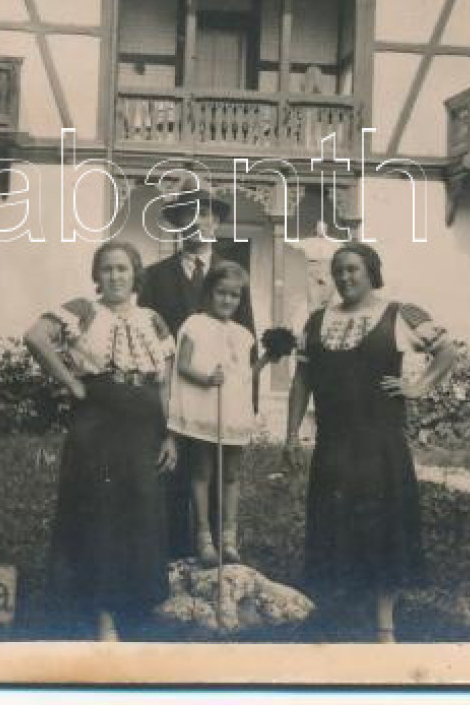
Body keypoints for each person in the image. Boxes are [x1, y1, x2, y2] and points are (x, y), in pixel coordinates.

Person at [283, 242, 460, 643]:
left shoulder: (399, 315)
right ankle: (338, 621)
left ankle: (384, 626)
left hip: (380, 445)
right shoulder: (315, 322)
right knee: (334, 527)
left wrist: (417, 388)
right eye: (339, 271)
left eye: (353, 270)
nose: (345, 278)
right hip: (333, 446)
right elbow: (302, 381)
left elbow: (447, 353)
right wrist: (291, 435)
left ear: (371, 272)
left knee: (383, 529)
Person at [23, 240, 178, 641]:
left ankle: (137, 605)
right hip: (99, 422)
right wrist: (71, 381)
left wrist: (169, 434)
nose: (114, 276)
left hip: (144, 425)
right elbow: (36, 337)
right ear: (97, 276)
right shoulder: (83, 310)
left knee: (140, 511)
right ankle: (102, 614)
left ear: (135, 274)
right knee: (101, 514)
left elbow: (165, 381)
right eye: (107, 269)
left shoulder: (153, 319)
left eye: (122, 269)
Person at [136, 187, 256, 559]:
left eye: (204, 215)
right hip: (176, 392)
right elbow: (146, 337)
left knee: (219, 473)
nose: (196, 223)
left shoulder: (232, 277)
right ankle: (175, 556)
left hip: (221, 395)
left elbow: (247, 339)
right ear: (176, 225)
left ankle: (221, 547)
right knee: (174, 475)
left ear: (216, 222)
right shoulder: (156, 277)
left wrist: (246, 403)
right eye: (186, 215)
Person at [167, 262, 281, 566]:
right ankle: (204, 537)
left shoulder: (243, 334)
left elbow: (244, 376)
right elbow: (182, 364)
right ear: (209, 293)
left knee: (231, 475)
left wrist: (268, 359)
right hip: (206, 408)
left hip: (233, 411)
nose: (228, 300)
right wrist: (206, 378)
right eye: (221, 293)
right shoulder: (194, 324)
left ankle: (229, 538)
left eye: (234, 295)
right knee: (202, 472)